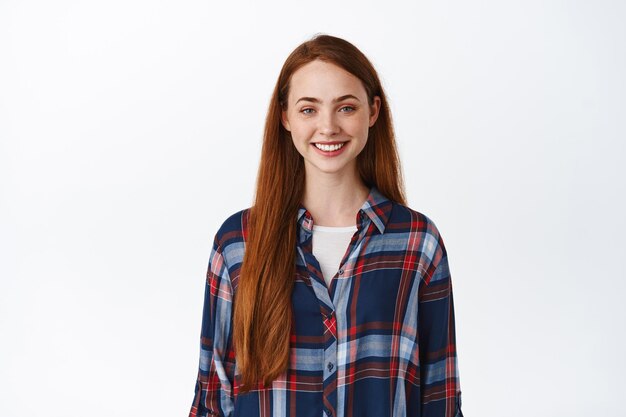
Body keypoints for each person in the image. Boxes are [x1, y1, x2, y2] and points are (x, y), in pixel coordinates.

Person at [189, 33, 463, 417]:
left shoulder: (417, 243)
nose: (328, 126)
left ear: (373, 111)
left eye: (346, 108)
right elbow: (212, 397)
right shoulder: (238, 243)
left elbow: (441, 399)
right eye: (308, 110)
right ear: (285, 117)